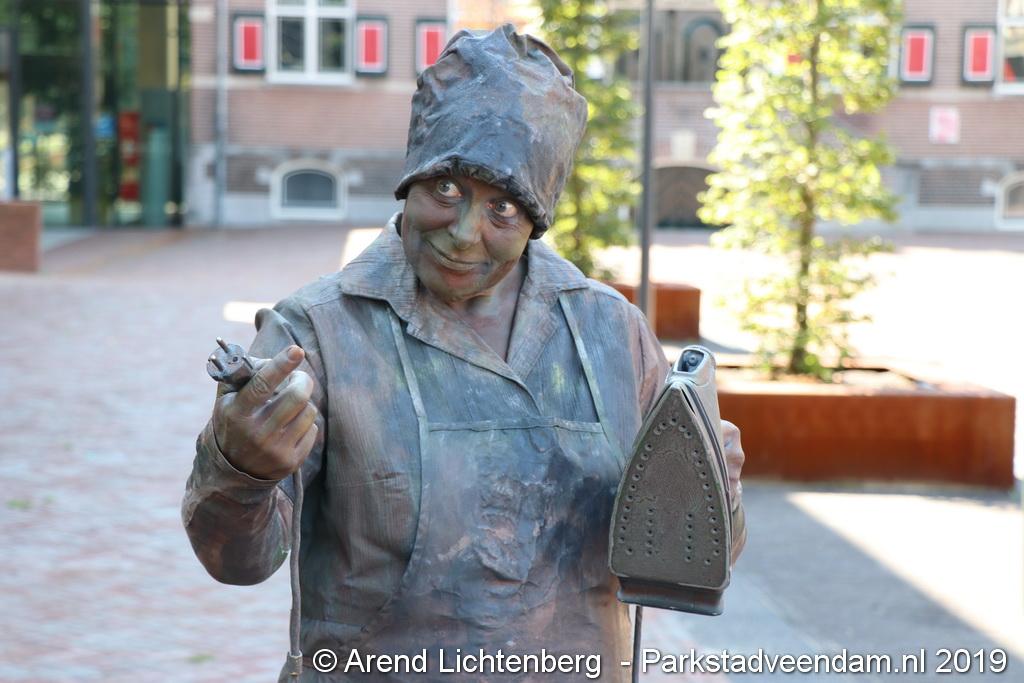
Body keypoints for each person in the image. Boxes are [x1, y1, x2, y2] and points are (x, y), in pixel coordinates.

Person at [182, 24, 746, 681]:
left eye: (503, 207)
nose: (463, 232)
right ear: (410, 179)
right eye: (446, 189)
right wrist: (240, 470)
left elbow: (689, 563)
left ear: (537, 218)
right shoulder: (318, 331)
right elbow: (236, 562)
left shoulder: (609, 332)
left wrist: (709, 492)